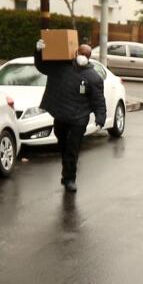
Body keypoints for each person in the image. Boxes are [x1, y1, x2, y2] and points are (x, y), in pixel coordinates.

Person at [34, 39, 109, 192]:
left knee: (72, 150)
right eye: (81, 53)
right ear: (76, 53)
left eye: (86, 54)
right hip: (61, 114)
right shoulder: (62, 67)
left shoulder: (93, 77)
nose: (83, 56)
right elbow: (42, 66)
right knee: (62, 144)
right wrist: (38, 51)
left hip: (79, 119)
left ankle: (69, 179)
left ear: (89, 57)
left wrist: (101, 118)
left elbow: (98, 100)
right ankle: (66, 166)